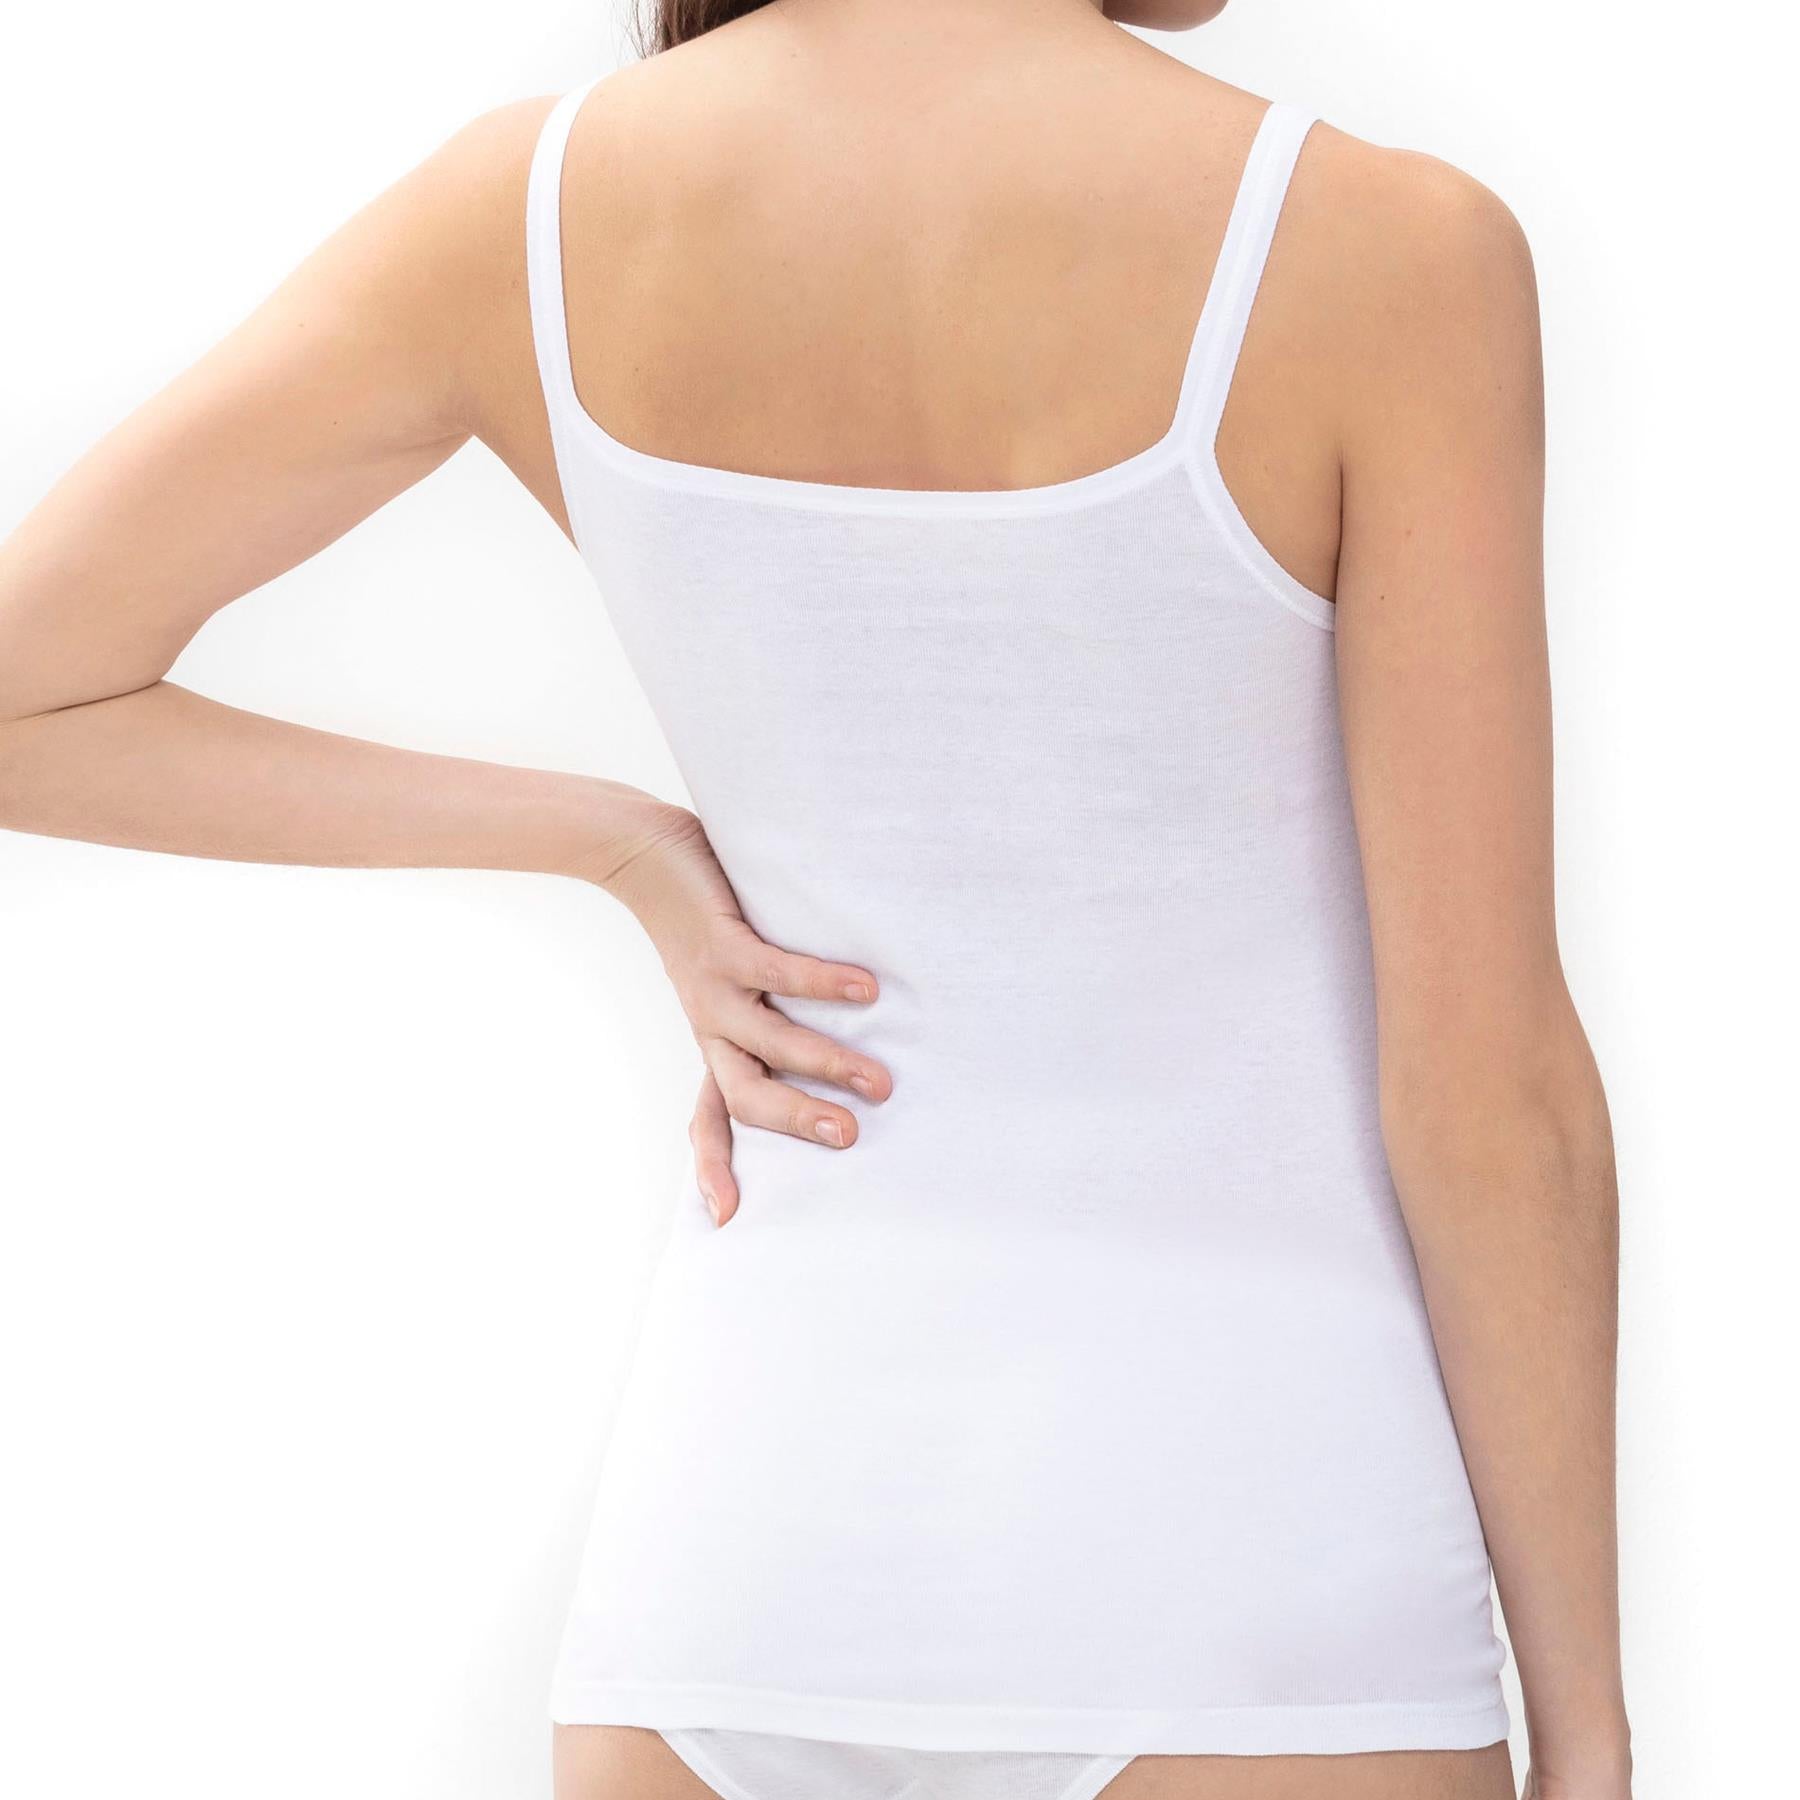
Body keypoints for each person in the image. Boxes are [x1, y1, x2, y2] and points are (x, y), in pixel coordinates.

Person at [0, 2, 1631, 1798]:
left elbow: (24, 699)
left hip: (734, 1572)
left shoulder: (525, 212)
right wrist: (1590, 1729)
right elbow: (1490, 1099)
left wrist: (619, 841)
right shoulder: (1385, 251)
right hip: (1254, 1576)